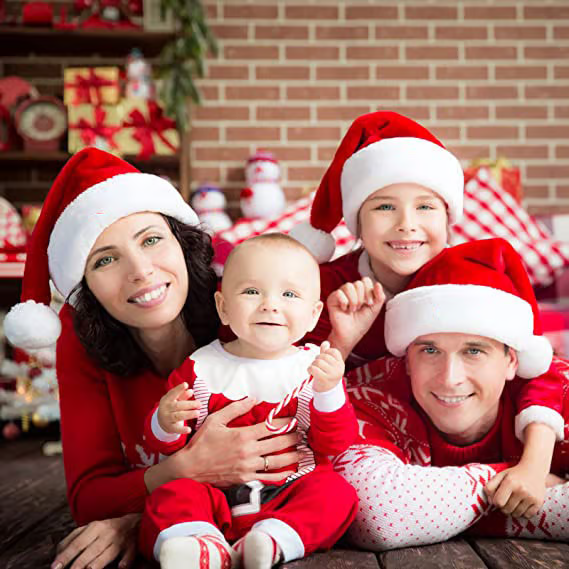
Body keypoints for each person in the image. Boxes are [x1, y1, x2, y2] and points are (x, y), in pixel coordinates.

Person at [4, 149, 303, 569]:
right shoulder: (80, 337)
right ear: (84, 284)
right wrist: (189, 468)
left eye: (151, 239)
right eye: (105, 259)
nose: (141, 271)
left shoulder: (244, 305)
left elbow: (301, 447)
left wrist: (137, 516)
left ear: (182, 243)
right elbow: (89, 498)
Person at [290, 110, 566, 521]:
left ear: (449, 219)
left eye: (425, 207)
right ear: (357, 224)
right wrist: (342, 342)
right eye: (385, 206)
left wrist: (534, 464)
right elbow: (279, 380)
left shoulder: (467, 281)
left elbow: (538, 367)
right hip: (355, 433)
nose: (407, 226)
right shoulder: (323, 287)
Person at [331, 238, 569, 550]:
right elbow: (379, 517)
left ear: (512, 361)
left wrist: (434, 511)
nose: (450, 378)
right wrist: (524, 477)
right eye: (430, 350)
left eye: (474, 351)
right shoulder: (371, 396)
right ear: (405, 360)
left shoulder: (554, 396)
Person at [139, 234, 359, 569]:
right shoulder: (201, 368)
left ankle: (273, 540)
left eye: (289, 294)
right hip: (211, 494)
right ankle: (199, 544)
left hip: (289, 491)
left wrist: (329, 391)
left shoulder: (315, 368)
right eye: (252, 291)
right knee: (171, 495)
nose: (270, 304)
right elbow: (165, 445)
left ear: (314, 315)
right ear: (223, 307)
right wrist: (165, 422)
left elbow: (336, 443)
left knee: (336, 491)